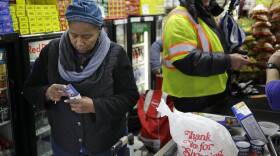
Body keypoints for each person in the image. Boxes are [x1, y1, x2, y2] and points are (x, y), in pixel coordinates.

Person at [23, 1, 139, 156]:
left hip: (106, 146)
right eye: (73, 35)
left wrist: (95, 106)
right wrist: (47, 92)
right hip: (65, 146)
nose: (79, 42)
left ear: (99, 29)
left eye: (87, 36)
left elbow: (130, 97)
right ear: (67, 28)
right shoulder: (51, 52)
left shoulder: (116, 55)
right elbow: (29, 90)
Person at [162, 0, 251, 113]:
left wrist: (232, 52)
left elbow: (212, 47)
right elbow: (187, 60)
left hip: (212, 96)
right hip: (192, 101)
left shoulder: (203, 16)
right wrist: (229, 61)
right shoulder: (178, 19)